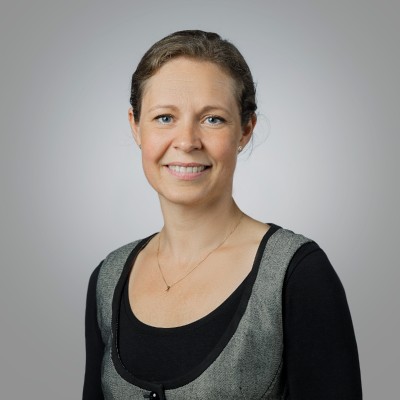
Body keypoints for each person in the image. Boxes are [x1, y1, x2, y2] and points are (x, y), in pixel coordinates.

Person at [83, 30, 362, 399]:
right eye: (164, 117)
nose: (187, 141)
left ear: (245, 130)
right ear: (136, 126)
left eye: (212, 119)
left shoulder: (298, 275)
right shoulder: (108, 279)